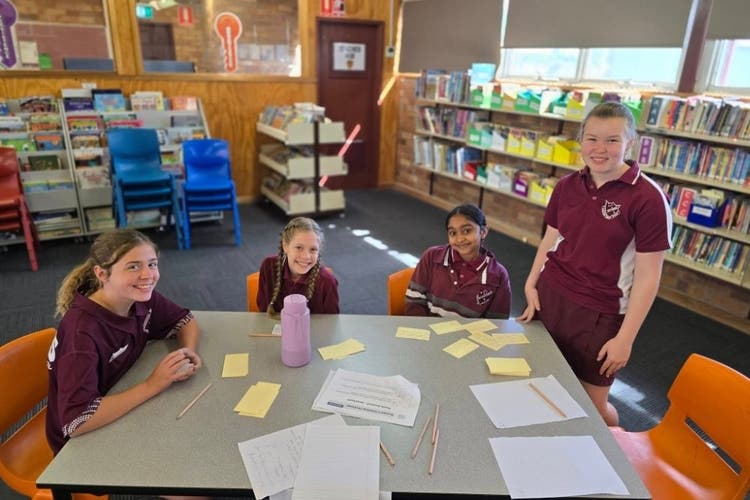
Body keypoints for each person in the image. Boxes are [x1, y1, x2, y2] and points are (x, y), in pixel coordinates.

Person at [518, 101, 672, 426]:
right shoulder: (567, 186)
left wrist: (625, 339)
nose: (599, 149)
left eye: (612, 140)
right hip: (552, 296)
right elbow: (551, 238)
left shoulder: (648, 199)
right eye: (592, 138)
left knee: (593, 410)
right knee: (540, 382)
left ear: (630, 142)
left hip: (600, 313)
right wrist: (532, 282)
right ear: (580, 140)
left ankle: (617, 451)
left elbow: (647, 278)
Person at [46, 229, 202, 455]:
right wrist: (152, 385)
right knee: (192, 487)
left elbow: (184, 320)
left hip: (119, 398)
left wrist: (187, 350)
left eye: (152, 264)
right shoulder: (81, 333)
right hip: (79, 444)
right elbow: (77, 422)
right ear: (101, 274)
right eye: (133, 266)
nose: (148, 275)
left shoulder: (138, 297)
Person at [405, 203, 511, 318]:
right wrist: (423, 333)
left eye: (466, 231)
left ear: (483, 232)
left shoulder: (498, 275)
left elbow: (497, 322)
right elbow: (414, 300)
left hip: (470, 335)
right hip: (428, 332)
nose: (460, 239)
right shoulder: (431, 256)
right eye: (453, 233)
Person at [257, 216, 339, 314]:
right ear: (285, 246)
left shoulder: (327, 282)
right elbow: (262, 310)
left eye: (313, 249)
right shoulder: (268, 266)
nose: (306, 256)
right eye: (299, 247)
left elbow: (332, 322)